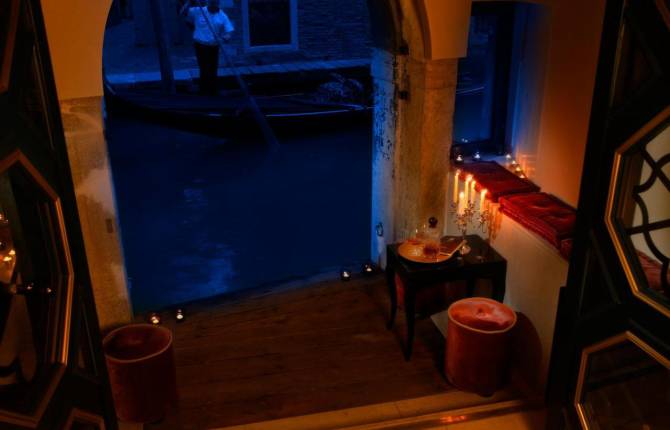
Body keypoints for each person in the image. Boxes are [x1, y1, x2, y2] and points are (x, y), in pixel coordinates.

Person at [180, 0, 234, 94]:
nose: (213, 3)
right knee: (204, 68)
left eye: (215, 1)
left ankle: (213, 91)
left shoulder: (222, 15)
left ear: (218, 3)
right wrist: (189, 2)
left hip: (214, 46)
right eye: (212, 1)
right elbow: (183, 13)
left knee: (213, 69)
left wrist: (224, 38)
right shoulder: (199, 10)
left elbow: (229, 31)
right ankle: (203, 91)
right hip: (200, 45)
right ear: (209, 2)